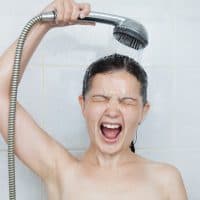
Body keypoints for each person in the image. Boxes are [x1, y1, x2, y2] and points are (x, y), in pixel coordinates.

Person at [0, 0, 188, 199]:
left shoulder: (165, 180)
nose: (113, 110)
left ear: (143, 111)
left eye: (127, 101)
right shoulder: (62, 171)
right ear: (83, 105)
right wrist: (43, 23)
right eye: (101, 98)